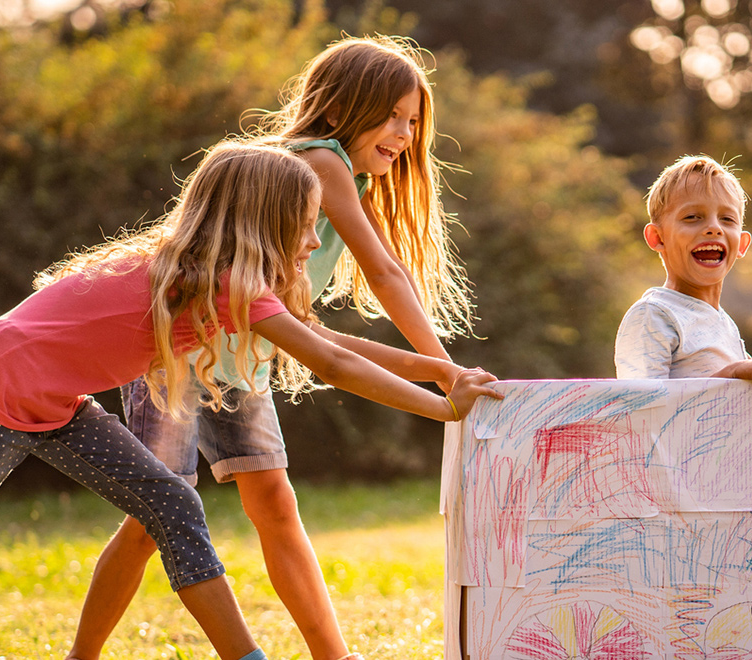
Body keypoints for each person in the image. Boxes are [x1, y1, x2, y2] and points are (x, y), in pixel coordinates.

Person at [0, 143, 500, 660]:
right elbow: (333, 361)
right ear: (266, 223)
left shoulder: (222, 277)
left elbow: (321, 339)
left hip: (56, 407)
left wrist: (442, 372)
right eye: (308, 223)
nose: (316, 238)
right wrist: (442, 407)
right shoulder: (221, 282)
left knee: (172, 503)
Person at [67, 37, 476, 660]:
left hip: (239, 363)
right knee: (156, 520)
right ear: (340, 110)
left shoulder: (338, 170)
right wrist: (444, 371)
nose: (404, 133)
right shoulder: (321, 161)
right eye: (392, 115)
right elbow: (386, 272)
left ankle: (332, 655)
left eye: (413, 120)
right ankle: (82, 656)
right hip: (178, 359)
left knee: (275, 507)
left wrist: (435, 370)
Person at [613, 155, 752, 408]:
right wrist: (731, 375)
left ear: (742, 244)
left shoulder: (725, 325)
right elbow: (640, 414)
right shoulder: (652, 316)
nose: (713, 228)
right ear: (657, 237)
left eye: (727, 219)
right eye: (692, 217)